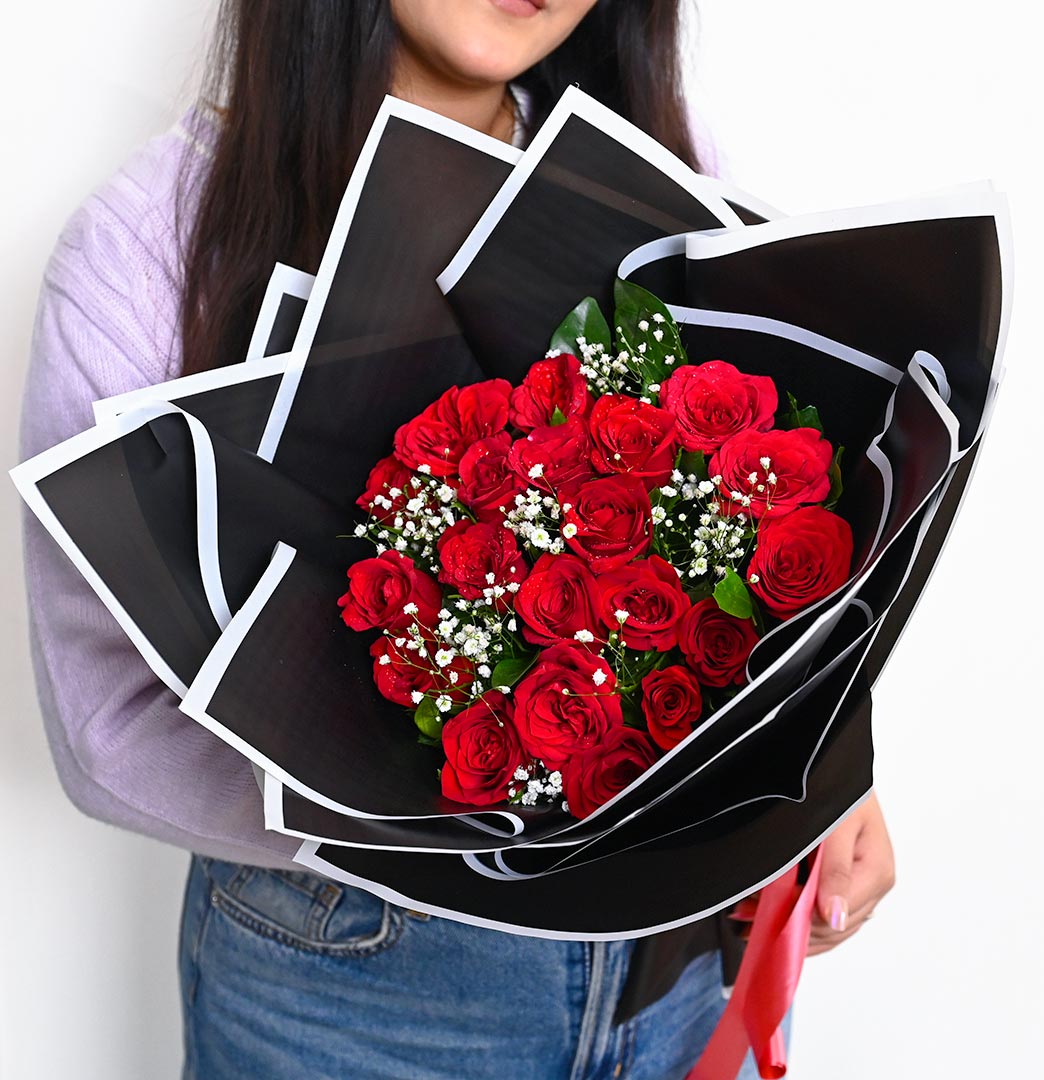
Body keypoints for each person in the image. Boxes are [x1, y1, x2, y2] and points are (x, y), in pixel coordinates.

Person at [18, 1, 896, 1076]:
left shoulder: (660, 162)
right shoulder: (147, 247)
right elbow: (106, 731)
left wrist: (816, 776)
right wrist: (488, 823)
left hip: (678, 970)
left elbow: (768, 549)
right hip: (355, 987)